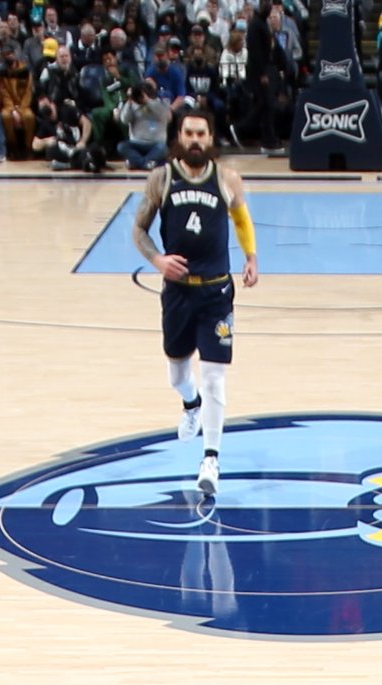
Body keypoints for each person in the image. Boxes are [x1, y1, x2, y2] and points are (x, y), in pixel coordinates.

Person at [137, 101, 259, 507]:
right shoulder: (161, 179)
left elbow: (241, 220)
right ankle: (189, 404)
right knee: (177, 372)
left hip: (216, 292)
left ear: (211, 139)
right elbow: (138, 229)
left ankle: (211, 461)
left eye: (201, 134)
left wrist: (251, 257)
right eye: (188, 133)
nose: (194, 140)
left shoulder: (227, 179)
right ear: (179, 138)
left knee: (214, 377)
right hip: (178, 292)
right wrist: (157, 259)